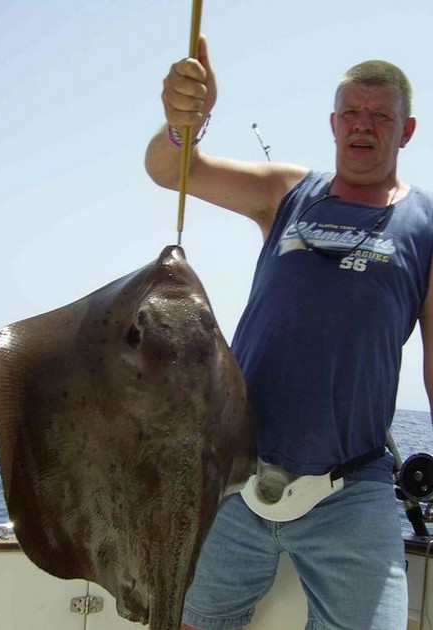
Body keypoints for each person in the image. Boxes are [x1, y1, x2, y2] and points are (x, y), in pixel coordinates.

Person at [145, 36, 433, 630]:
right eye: (351, 112)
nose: (362, 124)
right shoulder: (286, 192)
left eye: (380, 115)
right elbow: (168, 171)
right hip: (234, 471)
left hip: (352, 485)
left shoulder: (425, 225)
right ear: (333, 123)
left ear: (406, 131)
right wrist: (182, 124)